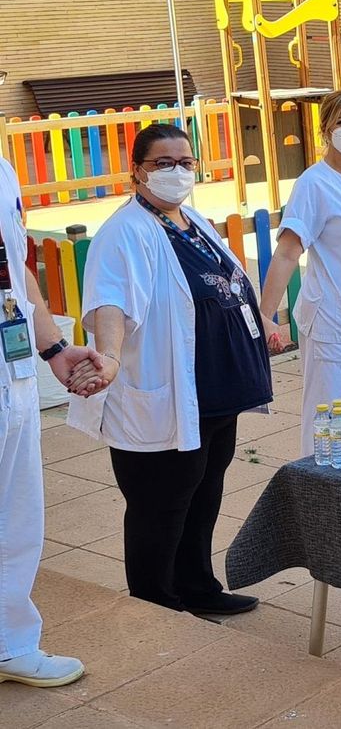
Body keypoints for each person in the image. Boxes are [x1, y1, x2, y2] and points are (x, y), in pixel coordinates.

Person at [71, 123, 273, 618]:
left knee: (204, 494)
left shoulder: (191, 220)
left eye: (184, 162)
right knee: (160, 505)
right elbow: (109, 302)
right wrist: (109, 356)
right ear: (137, 171)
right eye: (162, 163)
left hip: (215, 394)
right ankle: (156, 605)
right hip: (166, 396)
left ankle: (198, 586)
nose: (176, 172)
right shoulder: (124, 232)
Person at [0, 151, 99, 688]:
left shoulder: (2, 167)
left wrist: (54, 348)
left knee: (16, 518)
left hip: (10, 365)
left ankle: (10, 642)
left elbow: (15, 271)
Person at [259, 91, 341, 454]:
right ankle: (314, 483)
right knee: (329, 420)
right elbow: (287, 251)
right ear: (325, 131)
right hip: (334, 321)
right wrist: (266, 315)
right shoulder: (314, 184)